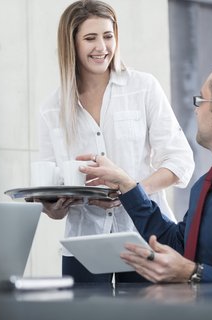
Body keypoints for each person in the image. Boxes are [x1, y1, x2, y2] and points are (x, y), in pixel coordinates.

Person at [36, 0, 194, 283]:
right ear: (70, 44)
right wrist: (54, 207)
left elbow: (180, 161)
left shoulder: (143, 88)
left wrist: (131, 193)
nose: (102, 47)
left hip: (146, 240)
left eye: (108, 36)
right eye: (90, 38)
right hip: (84, 248)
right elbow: (53, 195)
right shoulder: (51, 108)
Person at [77, 62, 212, 283]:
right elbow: (176, 244)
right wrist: (129, 186)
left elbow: (190, 269)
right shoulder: (208, 185)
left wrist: (194, 274)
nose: (196, 109)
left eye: (200, 100)